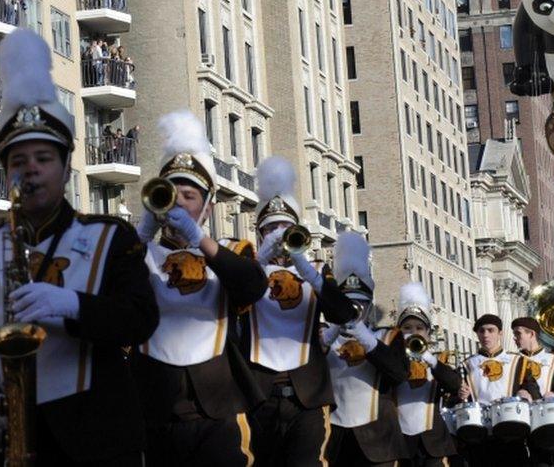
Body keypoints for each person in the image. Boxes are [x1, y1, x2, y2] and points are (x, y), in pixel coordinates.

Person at [0, 30, 158, 466]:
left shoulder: (112, 236)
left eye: (44, 158)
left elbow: (140, 320)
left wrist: (73, 305)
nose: (31, 171)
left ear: (64, 168)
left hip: (98, 440)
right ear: (4, 172)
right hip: (6, 440)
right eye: (18, 161)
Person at [130, 110, 267, 467]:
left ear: (206, 208)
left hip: (215, 410)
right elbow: (104, 280)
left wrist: (199, 240)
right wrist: (143, 232)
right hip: (153, 409)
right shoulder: (137, 255)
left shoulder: (227, 255)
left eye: (189, 196)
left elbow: (253, 285)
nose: (178, 203)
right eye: (169, 194)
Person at [244, 156, 358, 466]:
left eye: (285, 227)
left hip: (307, 395)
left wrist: (307, 270)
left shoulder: (318, 271)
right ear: (259, 234)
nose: (279, 234)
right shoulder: (248, 271)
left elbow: (344, 313)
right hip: (259, 394)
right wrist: (259, 264)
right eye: (271, 229)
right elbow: (231, 301)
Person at [324, 235, 411, 467]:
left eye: (360, 304)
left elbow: (399, 374)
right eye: (348, 303)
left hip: (379, 441)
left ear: (369, 305)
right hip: (337, 439)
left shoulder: (388, 337)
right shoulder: (323, 336)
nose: (355, 310)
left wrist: (366, 340)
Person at [457, 314, 542, 466]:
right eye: (481, 331)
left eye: (491, 330)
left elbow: (534, 391)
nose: (486, 335)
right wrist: (461, 394)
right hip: (480, 435)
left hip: (512, 434)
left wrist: (526, 393)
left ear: (500, 333)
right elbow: (454, 402)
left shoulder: (519, 361)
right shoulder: (466, 365)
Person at [392, 282, 460, 467]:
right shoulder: (391, 362)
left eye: (419, 328)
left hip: (433, 444)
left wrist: (429, 358)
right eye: (407, 328)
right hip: (400, 443)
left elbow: (454, 384)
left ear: (428, 334)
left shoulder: (438, 362)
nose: (413, 332)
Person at [511, 317, 554, 467]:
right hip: (519, 424)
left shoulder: (552, 361)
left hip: (545, 425)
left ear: (531, 334)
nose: (515, 338)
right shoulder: (512, 361)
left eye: (518, 334)